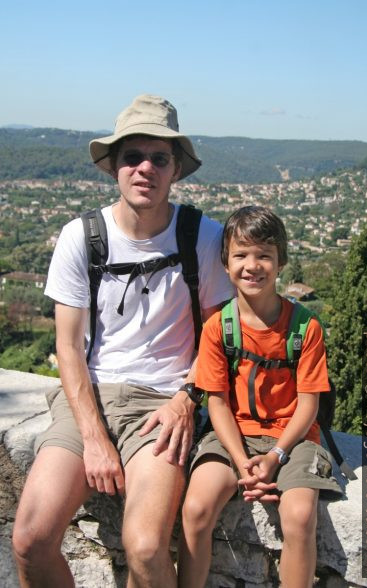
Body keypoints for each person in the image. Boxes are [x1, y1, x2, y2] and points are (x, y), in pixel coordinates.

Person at [12, 94, 234, 588]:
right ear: (114, 166)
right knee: (29, 539)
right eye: (133, 157)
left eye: (159, 158)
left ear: (175, 169)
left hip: (164, 402)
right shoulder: (82, 237)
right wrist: (93, 439)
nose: (144, 169)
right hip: (89, 397)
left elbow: (219, 340)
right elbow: (68, 349)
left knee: (148, 547)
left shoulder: (201, 236)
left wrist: (186, 399)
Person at [178, 206, 342, 588]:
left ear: (280, 262)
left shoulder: (305, 328)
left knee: (299, 516)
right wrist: (241, 460)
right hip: (232, 432)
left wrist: (275, 456)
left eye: (264, 255)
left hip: (294, 438)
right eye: (241, 255)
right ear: (225, 262)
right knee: (197, 507)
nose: (252, 266)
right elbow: (216, 401)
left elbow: (309, 404)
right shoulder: (219, 327)